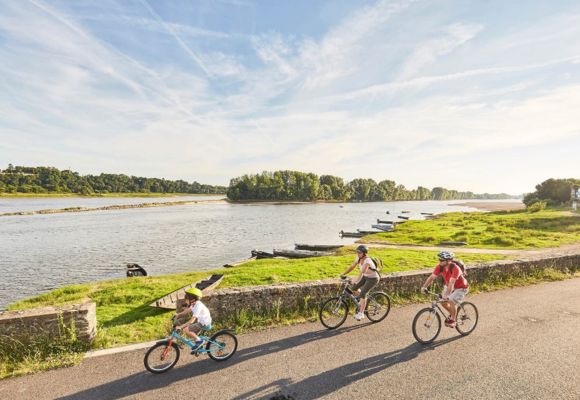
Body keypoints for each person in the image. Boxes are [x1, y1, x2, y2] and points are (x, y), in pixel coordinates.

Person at [420, 251, 469, 328]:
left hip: (461, 287)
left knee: (451, 300)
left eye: (442, 260)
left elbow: (451, 283)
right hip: (448, 286)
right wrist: (424, 286)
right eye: (439, 259)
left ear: (448, 261)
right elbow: (432, 277)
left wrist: (447, 295)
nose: (440, 261)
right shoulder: (440, 267)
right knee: (443, 302)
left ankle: (453, 320)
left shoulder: (455, 268)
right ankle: (453, 313)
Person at [340, 244, 380, 321]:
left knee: (363, 293)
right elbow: (352, 267)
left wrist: (355, 280)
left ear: (364, 253)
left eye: (360, 252)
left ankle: (361, 313)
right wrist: (343, 274)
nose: (358, 254)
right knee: (353, 288)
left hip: (373, 278)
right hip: (366, 276)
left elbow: (362, 272)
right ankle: (362, 301)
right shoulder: (358, 258)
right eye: (357, 252)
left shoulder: (367, 261)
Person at [175, 287, 212, 352]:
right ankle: (198, 348)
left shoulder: (198, 305)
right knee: (192, 332)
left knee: (186, 329)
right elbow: (187, 310)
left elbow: (192, 320)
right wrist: (178, 314)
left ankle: (200, 341)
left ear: (192, 299)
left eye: (187, 298)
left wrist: (181, 326)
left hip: (204, 324)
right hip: (201, 322)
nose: (185, 300)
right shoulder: (194, 304)